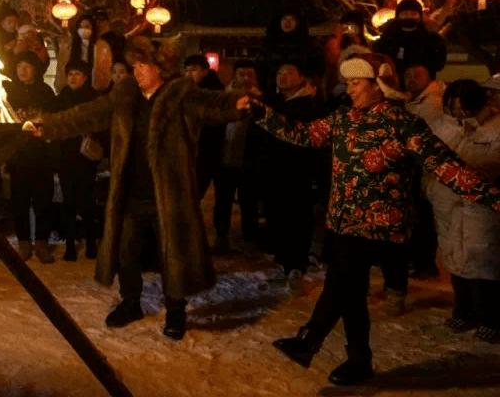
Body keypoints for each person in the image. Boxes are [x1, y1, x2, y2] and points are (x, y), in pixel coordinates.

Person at [250, 52, 500, 386]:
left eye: (356, 82)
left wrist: (493, 197)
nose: (348, 89)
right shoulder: (344, 117)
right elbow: (304, 135)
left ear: (378, 85)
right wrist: (262, 114)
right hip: (343, 219)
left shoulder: (403, 123)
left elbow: (446, 165)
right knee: (351, 292)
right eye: (348, 82)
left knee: (340, 278)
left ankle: (309, 339)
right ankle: (358, 360)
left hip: (378, 223)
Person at [31, 37, 248, 339]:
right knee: (126, 254)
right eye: (136, 65)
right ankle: (131, 303)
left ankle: (175, 312)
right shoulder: (125, 95)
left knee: (172, 254)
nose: (138, 71)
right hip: (131, 193)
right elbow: (87, 114)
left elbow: (212, 105)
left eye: (144, 65)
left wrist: (236, 103)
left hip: (168, 194)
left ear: (162, 69)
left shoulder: (180, 95)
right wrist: (50, 125)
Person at [428, 80, 500, 344]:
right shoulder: (449, 128)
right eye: (453, 108)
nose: (457, 114)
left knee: (482, 262)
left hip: (479, 208)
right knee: (455, 259)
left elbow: (490, 166)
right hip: (449, 206)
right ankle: (464, 310)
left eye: (462, 108)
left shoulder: (495, 129)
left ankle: (491, 318)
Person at [257, 60, 329, 293]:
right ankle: (283, 263)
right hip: (273, 171)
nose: (283, 76)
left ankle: (297, 266)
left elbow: (318, 144)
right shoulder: (273, 103)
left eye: (289, 72)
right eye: (279, 72)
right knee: (276, 217)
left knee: (298, 219)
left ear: (302, 78)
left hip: (300, 172)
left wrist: (319, 176)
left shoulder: (313, 106)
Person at [4, 51, 57, 263]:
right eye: (19, 67)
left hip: (41, 154)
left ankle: (42, 243)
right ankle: (24, 242)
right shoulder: (9, 94)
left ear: (35, 69)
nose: (23, 71)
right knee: (19, 201)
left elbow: (53, 122)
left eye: (27, 67)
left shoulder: (46, 92)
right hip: (18, 155)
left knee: (43, 200)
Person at [403, 61, 453, 280]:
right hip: (420, 169)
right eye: (408, 76)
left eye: (417, 75)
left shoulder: (431, 103)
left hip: (425, 169)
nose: (411, 79)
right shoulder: (415, 101)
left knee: (423, 218)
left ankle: (424, 263)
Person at [212, 59, 264, 255]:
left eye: (250, 74)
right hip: (225, 157)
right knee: (223, 199)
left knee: (248, 200)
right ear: (234, 75)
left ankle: (250, 237)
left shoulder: (261, 100)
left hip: (248, 159)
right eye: (241, 74)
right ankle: (221, 236)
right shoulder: (223, 96)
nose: (245, 78)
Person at [53, 59, 100, 261]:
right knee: (68, 202)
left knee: (86, 201)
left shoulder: (93, 99)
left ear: (85, 77)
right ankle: (70, 245)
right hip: (65, 156)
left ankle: (91, 243)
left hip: (85, 158)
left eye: (77, 74)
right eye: (70, 73)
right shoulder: (61, 98)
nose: (72, 77)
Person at [183, 54, 225, 201]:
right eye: (187, 70)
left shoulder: (215, 91)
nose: (189, 74)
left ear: (205, 71)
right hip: (195, 150)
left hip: (211, 150)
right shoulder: (186, 90)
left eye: (194, 70)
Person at [373, 0, 446, 76]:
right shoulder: (388, 36)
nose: (409, 17)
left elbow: (438, 63)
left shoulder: (430, 37)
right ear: (398, 16)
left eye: (413, 14)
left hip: (422, 81)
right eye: (405, 14)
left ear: (419, 16)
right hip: (393, 80)